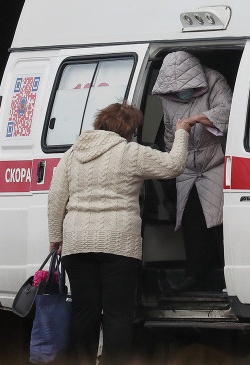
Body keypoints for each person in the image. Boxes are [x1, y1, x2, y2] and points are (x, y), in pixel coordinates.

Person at [47, 102, 191, 365]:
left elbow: (57, 196)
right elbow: (173, 166)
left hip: (77, 245)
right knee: (117, 314)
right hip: (118, 246)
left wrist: (56, 237)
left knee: (84, 313)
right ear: (129, 130)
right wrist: (182, 131)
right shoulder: (130, 152)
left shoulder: (71, 154)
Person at [152, 51, 232, 291]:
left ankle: (226, 278)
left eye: (183, 89)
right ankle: (194, 276)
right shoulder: (168, 96)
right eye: (174, 91)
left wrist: (199, 118)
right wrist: (171, 161)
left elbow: (229, 111)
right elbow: (168, 131)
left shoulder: (214, 80)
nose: (179, 94)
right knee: (192, 223)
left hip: (215, 164)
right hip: (186, 169)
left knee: (219, 224)